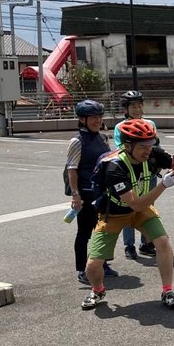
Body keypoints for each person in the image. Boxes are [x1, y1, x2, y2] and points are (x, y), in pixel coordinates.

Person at [81, 118, 174, 311]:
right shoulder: (114, 167)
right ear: (127, 145)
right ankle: (98, 290)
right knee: (92, 265)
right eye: (143, 146)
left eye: (151, 144)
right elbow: (135, 204)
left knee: (163, 242)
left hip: (141, 210)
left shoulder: (151, 153)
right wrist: (163, 185)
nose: (148, 150)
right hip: (115, 213)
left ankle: (168, 291)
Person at [64, 99, 115, 284]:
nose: (97, 121)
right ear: (82, 119)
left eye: (99, 116)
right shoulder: (77, 141)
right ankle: (81, 269)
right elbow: (72, 169)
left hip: (102, 191)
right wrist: (75, 195)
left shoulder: (102, 138)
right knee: (84, 232)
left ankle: (102, 263)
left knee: (103, 230)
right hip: (85, 192)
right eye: (93, 117)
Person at [114, 90, 157, 260]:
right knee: (129, 208)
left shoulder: (150, 123)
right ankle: (129, 245)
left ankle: (146, 243)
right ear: (126, 108)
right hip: (130, 173)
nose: (137, 109)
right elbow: (120, 149)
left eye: (139, 105)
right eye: (133, 106)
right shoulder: (120, 127)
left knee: (147, 207)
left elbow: (155, 146)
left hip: (149, 172)